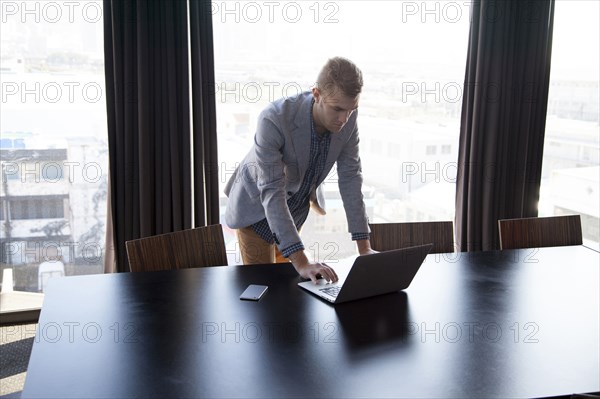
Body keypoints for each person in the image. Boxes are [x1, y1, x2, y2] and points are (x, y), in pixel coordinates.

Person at [224, 57, 376, 283]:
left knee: (294, 289)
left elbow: (351, 178)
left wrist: (365, 250)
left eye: (351, 110)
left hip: (294, 211)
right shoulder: (274, 118)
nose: (344, 119)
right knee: (263, 289)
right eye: (337, 109)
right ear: (317, 94)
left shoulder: (348, 118)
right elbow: (272, 191)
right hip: (256, 209)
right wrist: (302, 261)